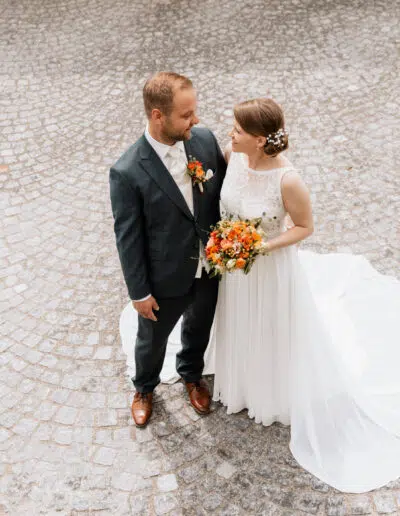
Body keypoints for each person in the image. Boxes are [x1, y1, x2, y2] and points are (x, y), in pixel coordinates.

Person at [110, 72, 226, 428]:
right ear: (158, 115)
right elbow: (128, 238)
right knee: (151, 339)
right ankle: (145, 387)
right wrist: (139, 291)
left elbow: (222, 196)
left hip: (210, 264)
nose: (196, 121)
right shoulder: (127, 171)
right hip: (164, 275)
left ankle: (192, 374)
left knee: (200, 325)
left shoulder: (204, 140)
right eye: (186, 115)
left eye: (194, 111)